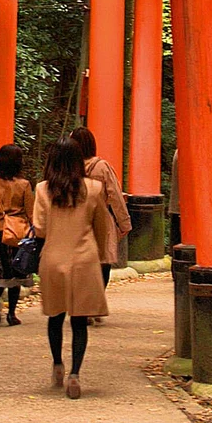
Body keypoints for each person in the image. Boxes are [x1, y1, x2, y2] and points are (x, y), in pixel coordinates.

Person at [32, 138, 115, 398]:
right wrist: (100, 253)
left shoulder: (43, 190)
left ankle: (58, 364)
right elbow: (101, 226)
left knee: (55, 317)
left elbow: (41, 229)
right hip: (84, 259)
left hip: (53, 259)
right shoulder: (93, 188)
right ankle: (75, 374)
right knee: (79, 321)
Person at [68, 126, 132, 320]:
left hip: (74, 219)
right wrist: (124, 223)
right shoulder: (102, 167)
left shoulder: (69, 168)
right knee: (102, 264)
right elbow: (114, 195)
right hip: (100, 219)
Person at [0, 143, 34, 325]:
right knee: (16, 272)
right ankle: (11, 313)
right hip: (18, 232)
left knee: (1, 272)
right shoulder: (23, 185)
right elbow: (30, 211)